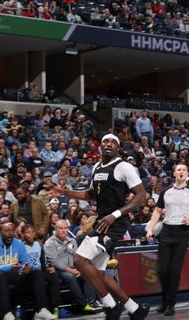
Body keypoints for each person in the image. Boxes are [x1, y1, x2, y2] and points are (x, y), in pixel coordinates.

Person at [54, 133, 150, 320]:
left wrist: (115, 215)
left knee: (80, 261)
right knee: (99, 273)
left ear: (118, 147)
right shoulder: (97, 167)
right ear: (100, 146)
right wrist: (66, 192)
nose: (108, 144)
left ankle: (111, 305)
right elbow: (90, 194)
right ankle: (135, 309)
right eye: (105, 141)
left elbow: (141, 195)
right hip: (102, 221)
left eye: (113, 142)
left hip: (115, 222)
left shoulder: (124, 166)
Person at [145, 163, 189, 316]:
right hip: (166, 231)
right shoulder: (166, 191)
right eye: (178, 170)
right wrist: (150, 229)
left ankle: (170, 303)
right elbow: (157, 211)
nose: (181, 172)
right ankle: (164, 299)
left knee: (174, 270)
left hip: (182, 232)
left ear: (187, 173)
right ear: (174, 173)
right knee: (162, 270)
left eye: (184, 170)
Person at [0, 220, 56, 320]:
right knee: (1, 275)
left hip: (12, 273)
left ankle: (41, 310)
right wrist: (9, 267)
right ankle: (6, 313)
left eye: (12, 230)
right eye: (6, 230)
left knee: (36, 272)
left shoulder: (18, 244)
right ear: (0, 232)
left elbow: (26, 261)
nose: (10, 233)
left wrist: (28, 267)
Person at [44, 219, 97, 313]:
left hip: (73, 268)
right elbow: (54, 262)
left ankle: (91, 302)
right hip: (58, 271)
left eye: (65, 228)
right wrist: (71, 271)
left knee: (87, 273)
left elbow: (76, 257)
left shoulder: (72, 241)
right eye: (60, 228)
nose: (63, 230)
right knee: (70, 277)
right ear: (55, 230)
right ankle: (83, 305)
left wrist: (79, 269)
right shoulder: (50, 243)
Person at [21, 224, 60, 316]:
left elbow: (43, 262)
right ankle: (42, 310)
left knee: (54, 276)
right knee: (38, 276)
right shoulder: (21, 247)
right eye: (27, 232)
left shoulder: (39, 245)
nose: (30, 235)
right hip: (28, 274)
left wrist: (48, 268)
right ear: (22, 235)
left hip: (40, 271)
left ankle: (55, 307)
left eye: (32, 232)